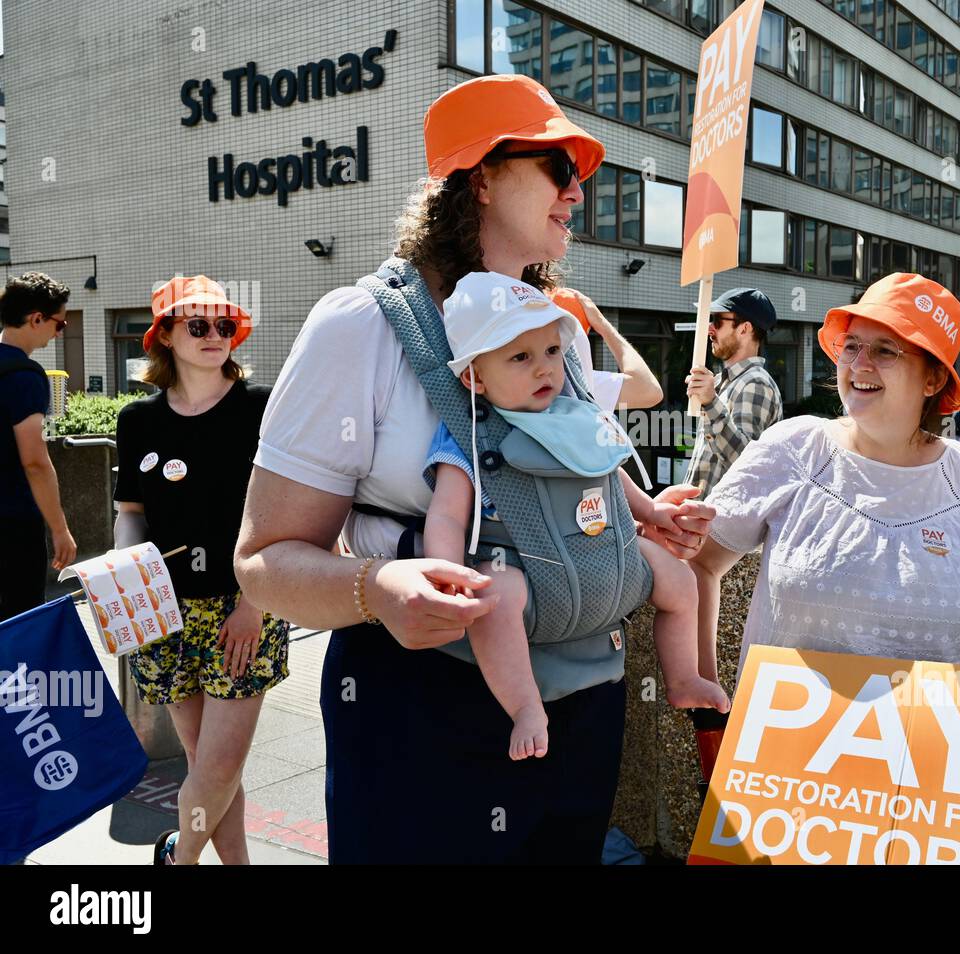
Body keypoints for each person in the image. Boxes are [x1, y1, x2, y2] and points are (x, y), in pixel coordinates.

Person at [234, 74, 716, 864]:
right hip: (426, 707)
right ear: (483, 176)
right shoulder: (360, 326)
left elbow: (571, 478)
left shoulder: (561, 325)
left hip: (583, 705)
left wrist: (642, 516)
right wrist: (374, 589)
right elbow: (261, 562)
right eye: (559, 167)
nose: (577, 192)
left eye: (581, 175)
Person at [688, 272, 960, 864]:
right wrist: (711, 702)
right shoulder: (794, 448)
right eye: (852, 345)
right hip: (792, 774)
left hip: (930, 787)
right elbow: (701, 566)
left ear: (934, 377)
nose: (858, 363)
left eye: (886, 349)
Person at [421, 272, 727, 760]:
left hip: (605, 554)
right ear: (473, 377)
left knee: (680, 580)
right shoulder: (472, 436)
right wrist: (445, 569)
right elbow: (446, 516)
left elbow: (606, 473)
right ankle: (524, 706)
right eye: (520, 357)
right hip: (520, 562)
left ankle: (684, 675)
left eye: (551, 352)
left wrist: (650, 511)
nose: (544, 369)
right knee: (494, 598)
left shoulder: (574, 414)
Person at [112, 276, 287, 866]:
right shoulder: (138, 419)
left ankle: (177, 860)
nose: (216, 336)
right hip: (163, 611)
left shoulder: (261, 409)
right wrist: (127, 575)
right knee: (207, 770)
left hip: (242, 606)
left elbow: (286, 514)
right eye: (199, 325)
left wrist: (254, 604)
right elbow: (131, 514)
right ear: (164, 335)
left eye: (225, 325)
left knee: (217, 765)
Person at [0, 273, 76, 621]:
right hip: (12, 524)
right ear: (36, 319)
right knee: (18, 623)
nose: (58, 332)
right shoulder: (25, 375)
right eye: (59, 324)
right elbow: (35, 461)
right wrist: (59, 529)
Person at [684, 287, 783, 499]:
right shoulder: (724, 382)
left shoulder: (755, 383)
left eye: (718, 321)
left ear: (744, 329)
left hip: (720, 526)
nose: (710, 329)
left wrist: (710, 402)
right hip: (703, 521)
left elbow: (744, 463)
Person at [549, 287, 661, 411]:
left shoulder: (578, 381)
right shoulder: (580, 384)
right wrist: (601, 324)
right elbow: (649, 391)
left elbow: (649, 391)